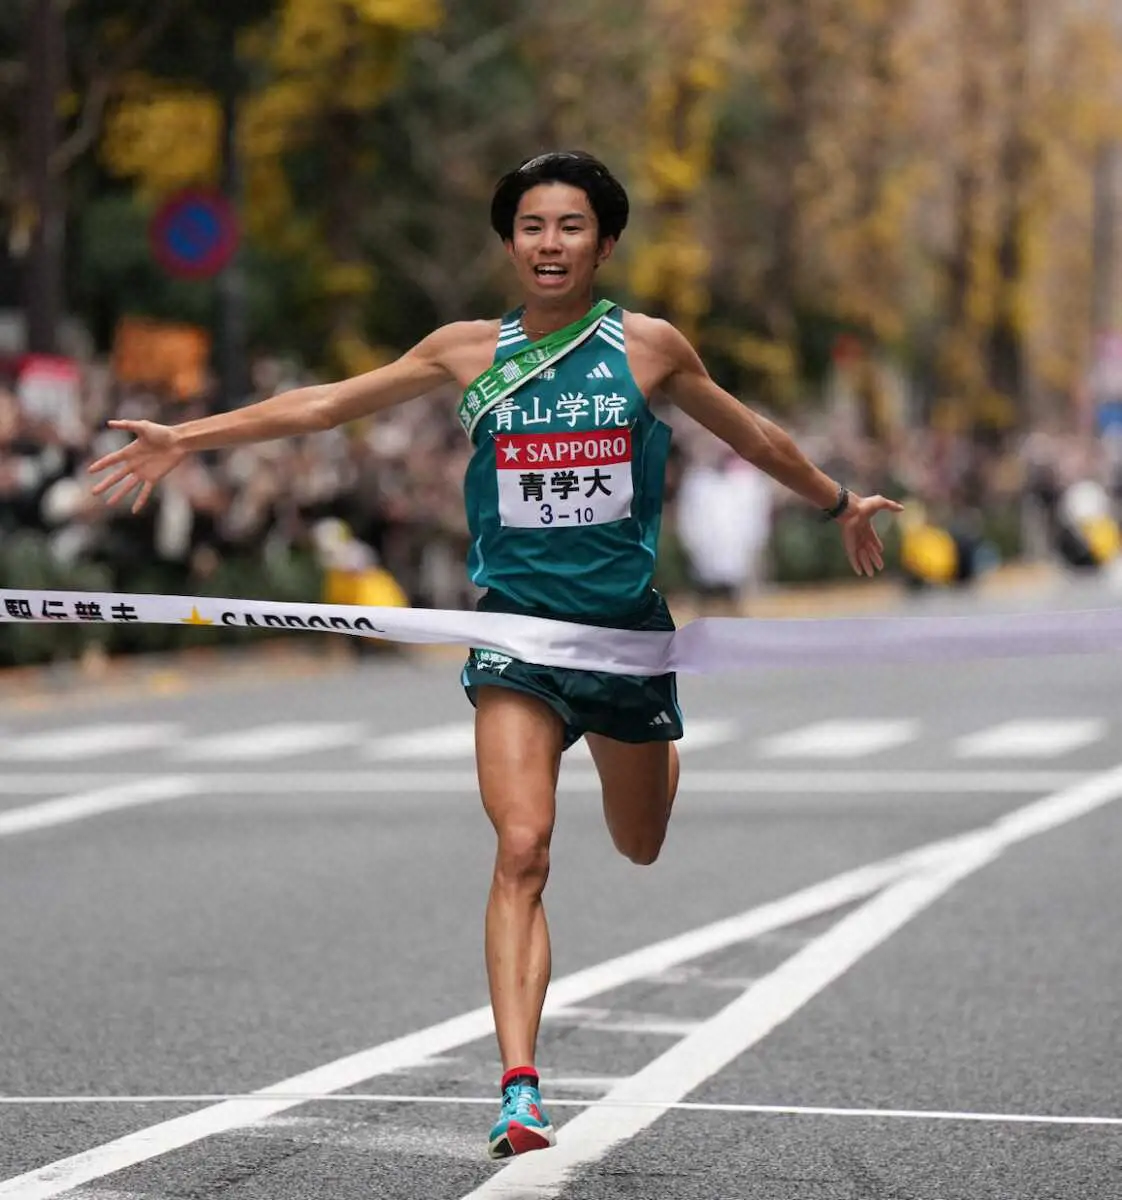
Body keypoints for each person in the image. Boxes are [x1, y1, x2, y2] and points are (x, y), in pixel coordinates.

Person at [88, 150, 903, 1160]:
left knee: (640, 841)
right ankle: (519, 1087)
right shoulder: (465, 351)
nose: (548, 244)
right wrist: (188, 438)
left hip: (623, 637)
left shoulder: (647, 348)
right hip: (513, 634)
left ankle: (651, 753)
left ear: (604, 243)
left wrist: (837, 502)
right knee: (522, 848)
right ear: (509, 240)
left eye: (569, 227)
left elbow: (754, 433)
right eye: (531, 226)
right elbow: (324, 404)